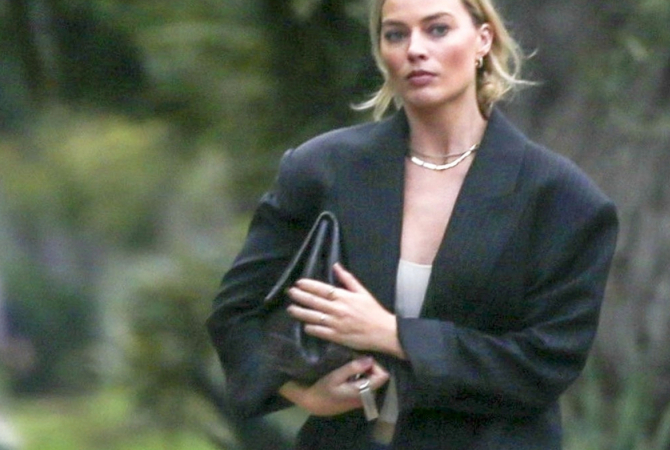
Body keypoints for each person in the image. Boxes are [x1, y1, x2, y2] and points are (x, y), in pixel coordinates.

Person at [207, 0, 619, 449]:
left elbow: (543, 364)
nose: (415, 49)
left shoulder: (562, 199)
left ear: (483, 40)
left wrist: (392, 334)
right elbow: (237, 312)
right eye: (396, 34)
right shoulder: (323, 170)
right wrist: (305, 394)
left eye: (437, 29)